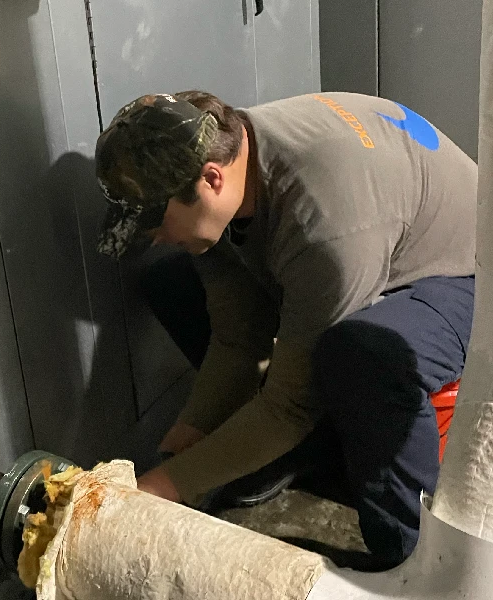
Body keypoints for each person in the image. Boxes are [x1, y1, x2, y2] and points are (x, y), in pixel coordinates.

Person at [94, 91, 477, 568]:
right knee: (173, 277)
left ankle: (416, 559)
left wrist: (155, 489)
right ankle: (304, 451)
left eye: (156, 221)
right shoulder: (217, 156)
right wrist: (186, 439)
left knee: (361, 357)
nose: (155, 237)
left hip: (462, 273)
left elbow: (290, 405)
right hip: (371, 242)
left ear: (211, 180)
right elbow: (239, 335)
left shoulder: (325, 225)